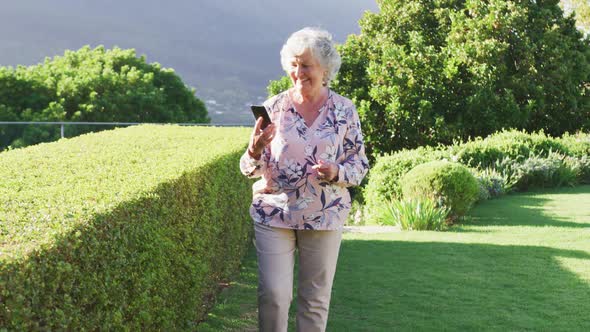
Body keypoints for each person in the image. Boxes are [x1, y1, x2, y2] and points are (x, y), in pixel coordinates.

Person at [239, 27, 369, 332]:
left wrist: (337, 172)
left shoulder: (344, 110)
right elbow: (249, 168)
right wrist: (255, 149)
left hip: (324, 214)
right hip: (275, 212)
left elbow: (359, 163)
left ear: (325, 69)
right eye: (294, 64)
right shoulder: (274, 108)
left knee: (315, 299)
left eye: (306, 65)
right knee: (273, 294)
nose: (298, 72)